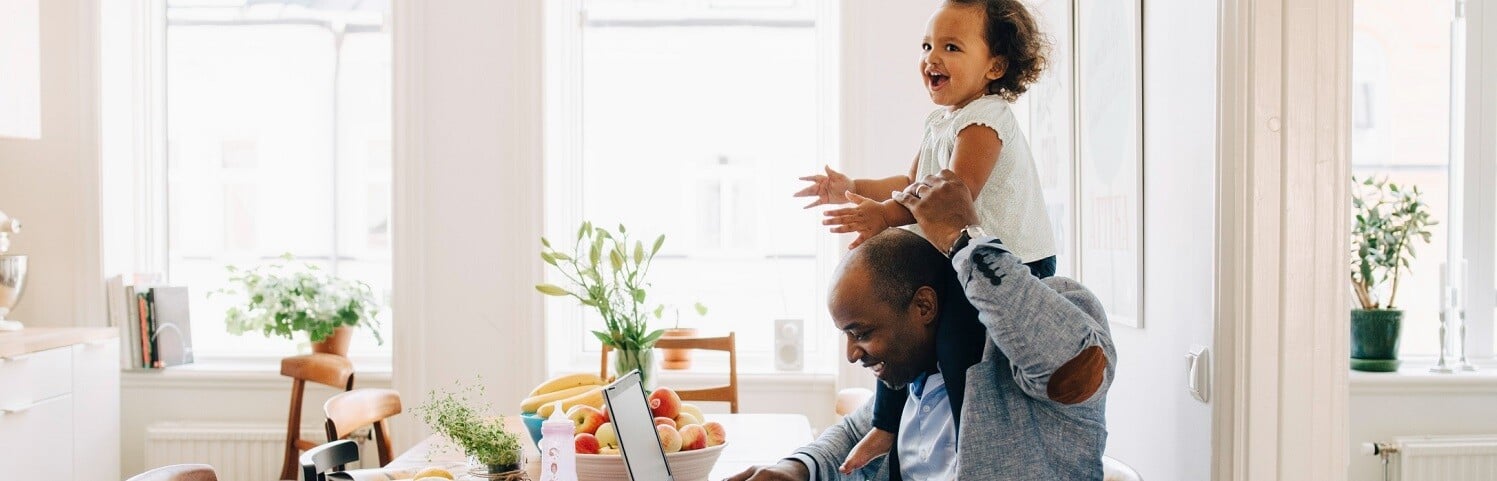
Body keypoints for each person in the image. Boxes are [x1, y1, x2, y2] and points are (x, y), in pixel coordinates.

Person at [792, 0, 1058, 467]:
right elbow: (909, 183)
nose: (932, 57)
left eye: (951, 47)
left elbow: (952, 196)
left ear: (995, 66)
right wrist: (852, 187)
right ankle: (885, 426)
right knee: (894, 326)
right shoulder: (940, 120)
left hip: (1007, 263)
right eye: (927, 45)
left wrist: (885, 217)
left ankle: (966, 447)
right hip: (959, 255)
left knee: (956, 344)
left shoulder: (986, 120)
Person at [731, 170, 1114, 481]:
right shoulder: (915, 376)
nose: (851, 354)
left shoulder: (1058, 311)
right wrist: (794, 470)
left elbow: (1069, 364)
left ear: (924, 306)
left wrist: (963, 240)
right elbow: (851, 434)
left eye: (862, 333)